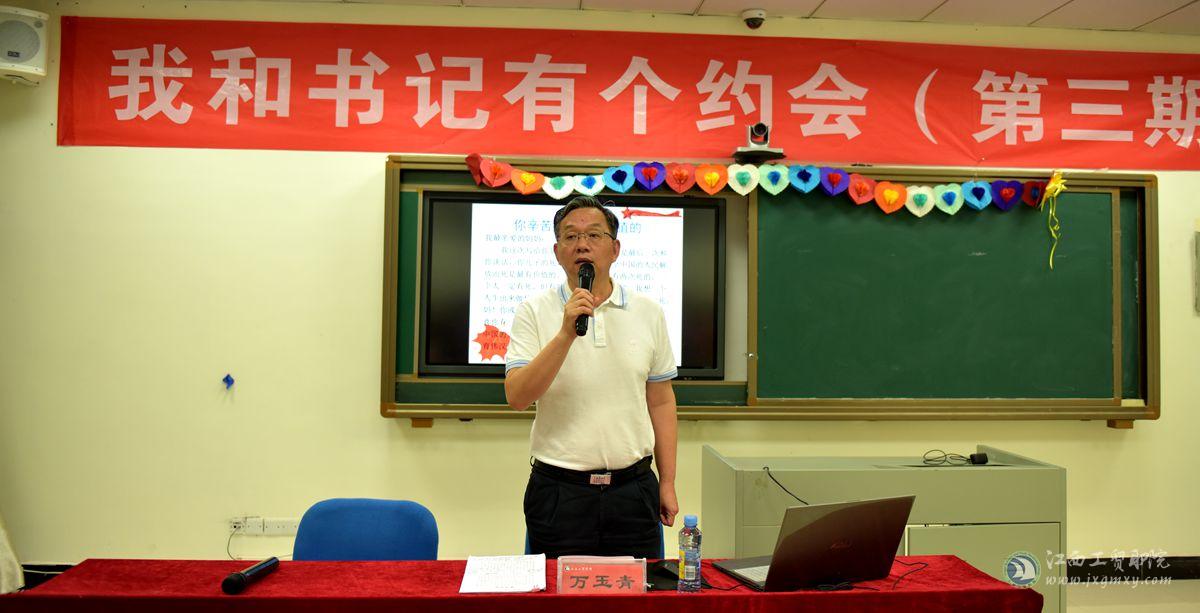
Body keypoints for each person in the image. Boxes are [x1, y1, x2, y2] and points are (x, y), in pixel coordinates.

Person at [504, 195, 679, 559]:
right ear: (557, 252)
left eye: (594, 235)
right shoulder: (532, 311)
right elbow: (517, 397)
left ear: (615, 249)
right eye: (570, 236)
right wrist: (565, 333)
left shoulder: (649, 312)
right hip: (560, 492)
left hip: (633, 490)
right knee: (557, 592)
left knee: (640, 590)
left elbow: (661, 402)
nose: (581, 244)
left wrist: (668, 482)